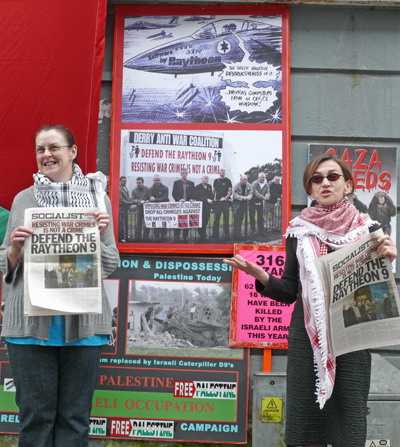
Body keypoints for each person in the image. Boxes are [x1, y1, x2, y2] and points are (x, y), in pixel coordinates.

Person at [224, 154, 396, 447]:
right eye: (317, 179)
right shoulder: (299, 232)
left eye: (332, 177)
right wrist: (263, 277)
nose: (325, 183)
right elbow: (290, 290)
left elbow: (379, 290)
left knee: (349, 422)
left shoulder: (368, 229)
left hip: (352, 337)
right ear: (310, 188)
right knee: (305, 423)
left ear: (348, 185)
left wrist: (389, 259)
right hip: (308, 339)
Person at [0, 124, 119, 447]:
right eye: (40, 149)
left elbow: (111, 265)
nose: (46, 155)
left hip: (83, 328)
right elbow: (5, 270)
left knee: (75, 421)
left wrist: (98, 238)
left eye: (53, 147)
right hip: (29, 328)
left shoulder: (97, 200)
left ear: (73, 152)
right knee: (36, 421)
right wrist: (14, 249)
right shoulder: (24, 200)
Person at [172, 167, 195, 242]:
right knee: (178, 220)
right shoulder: (176, 183)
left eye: (185, 173)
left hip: (187, 205)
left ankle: (185, 237)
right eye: (182, 173)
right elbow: (173, 193)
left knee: (186, 221)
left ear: (187, 174)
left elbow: (192, 194)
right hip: (179, 205)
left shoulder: (191, 183)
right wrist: (179, 199)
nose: (184, 174)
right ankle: (177, 237)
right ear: (181, 174)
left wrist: (191, 199)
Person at [212, 169, 232, 240]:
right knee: (216, 219)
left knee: (226, 219)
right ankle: (215, 235)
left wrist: (225, 198)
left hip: (225, 202)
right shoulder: (216, 181)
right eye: (221, 172)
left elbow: (230, 191)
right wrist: (213, 200)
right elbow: (213, 191)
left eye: (223, 172)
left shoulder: (228, 180)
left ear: (225, 173)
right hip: (217, 202)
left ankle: (226, 235)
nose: (222, 173)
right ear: (219, 173)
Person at [148, 175, 169, 241]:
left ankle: (164, 236)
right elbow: (150, 197)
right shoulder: (151, 189)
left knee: (163, 222)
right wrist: (153, 199)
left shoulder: (165, 188)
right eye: (155, 180)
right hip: (155, 210)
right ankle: (156, 236)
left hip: (163, 209)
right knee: (156, 222)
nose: (156, 181)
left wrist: (155, 199)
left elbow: (165, 198)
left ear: (160, 180)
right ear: (153, 180)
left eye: (158, 180)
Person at [232, 174, 252, 240]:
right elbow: (235, 195)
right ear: (240, 179)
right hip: (237, 205)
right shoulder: (236, 185)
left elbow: (251, 194)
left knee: (242, 219)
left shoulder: (249, 185)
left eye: (246, 179)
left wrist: (247, 198)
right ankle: (236, 235)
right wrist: (243, 198)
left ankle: (243, 234)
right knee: (236, 220)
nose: (244, 181)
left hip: (245, 204)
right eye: (243, 179)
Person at [194, 175, 213, 241]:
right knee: (201, 221)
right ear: (201, 179)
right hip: (201, 207)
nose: (206, 179)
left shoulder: (209, 186)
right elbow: (197, 197)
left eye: (207, 178)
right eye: (205, 178)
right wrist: (206, 199)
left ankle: (203, 234)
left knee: (206, 221)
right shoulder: (197, 187)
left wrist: (211, 202)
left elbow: (211, 195)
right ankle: (202, 235)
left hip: (208, 207)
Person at [131, 177, 150, 241]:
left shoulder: (147, 189)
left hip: (146, 209)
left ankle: (146, 238)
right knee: (138, 224)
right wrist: (139, 201)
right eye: (137, 183)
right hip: (139, 209)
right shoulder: (134, 190)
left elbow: (150, 197)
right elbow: (132, 200)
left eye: (139, 183)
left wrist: (148, 201)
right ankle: (138, 238)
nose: (138, 184)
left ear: (142, 182)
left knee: (147, 223)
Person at [119, 176, 133, 242]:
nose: (124, 182)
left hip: (125, 208)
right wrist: (131, 203)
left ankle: (126, 237)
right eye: (123, 181)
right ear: (120, 181)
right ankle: (122, 238)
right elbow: (121, 200)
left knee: (126, 223)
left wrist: (131, 201)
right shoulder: (119, 189)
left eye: (125, 181)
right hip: (121, 208)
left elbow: (127, 198)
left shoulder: (125, 188)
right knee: (122, 224)